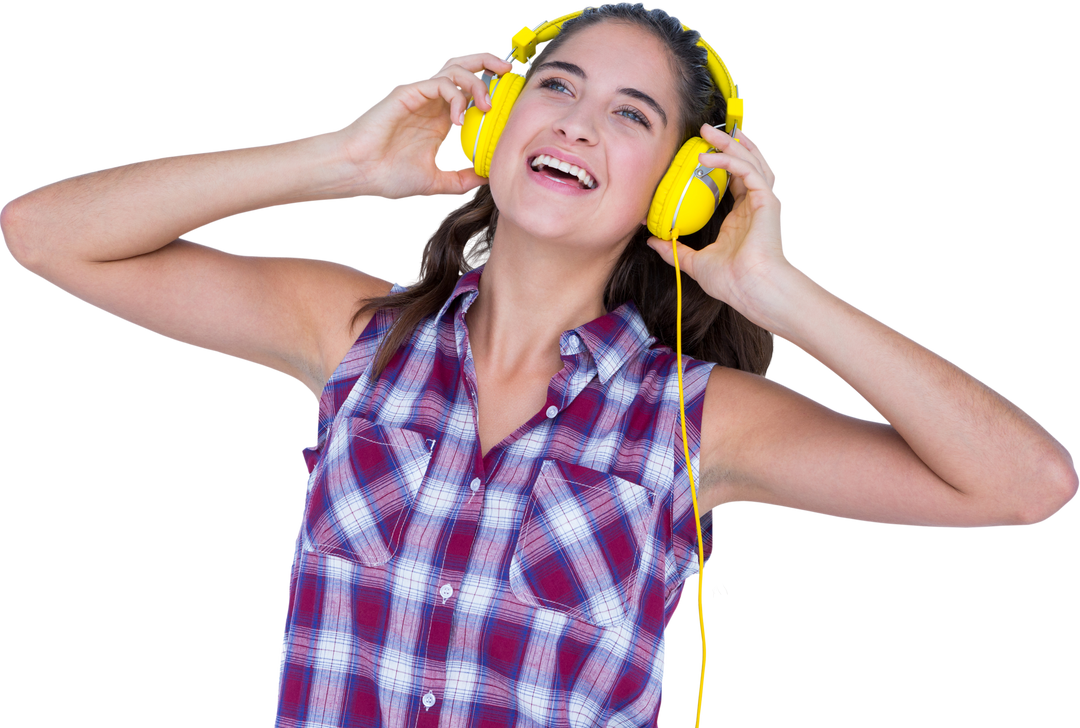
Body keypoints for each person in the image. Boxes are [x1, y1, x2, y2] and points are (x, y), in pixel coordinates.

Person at [2, 2, 1075, 726]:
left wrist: (770, 287)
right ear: (501, 118)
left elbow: (1027, 484)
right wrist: (344, 160)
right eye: (555, 89)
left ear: (676, 186)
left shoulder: (700, 424)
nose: (576, 124)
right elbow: (43, 233)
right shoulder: (349, 334)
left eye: (630, 115)